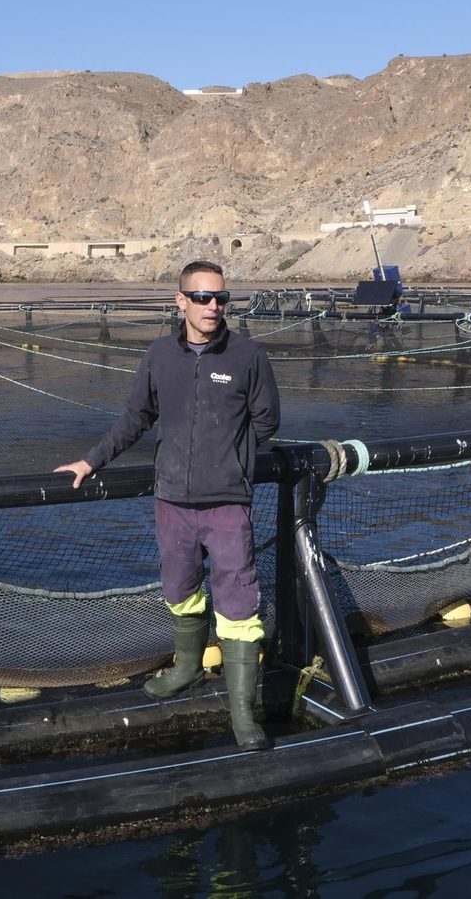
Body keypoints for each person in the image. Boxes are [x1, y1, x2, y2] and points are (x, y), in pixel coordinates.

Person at [55, 260, 280, 749]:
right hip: (172, 500)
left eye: (220, 297)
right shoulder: (159, 356)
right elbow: (135, 418)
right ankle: (186, 669)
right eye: (202, 297)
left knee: (239, 604)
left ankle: (243, 713)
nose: (213, 306)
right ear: (181, 301)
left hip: (227, 504)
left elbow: (266, 422)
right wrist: (90, 462)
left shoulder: (248, 355)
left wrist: (230, 462)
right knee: (179, 589)